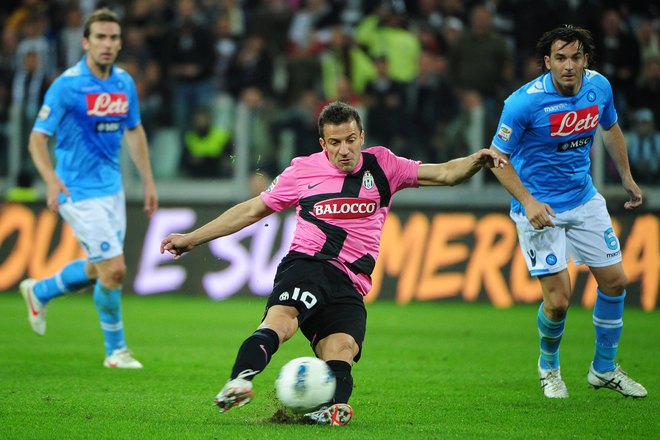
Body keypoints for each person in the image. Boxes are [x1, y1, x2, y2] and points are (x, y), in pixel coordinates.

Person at [160, 101, 506, 425]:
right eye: (336, 142)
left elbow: (445, 174)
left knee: (341, 348)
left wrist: (476, 160)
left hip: (351, 280)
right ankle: (240, 381)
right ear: (323, 143)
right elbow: (253, 210)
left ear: (362, 138)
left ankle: (332, 408)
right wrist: (192, 238)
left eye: (351, 140)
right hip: (308, 264)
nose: (344, 149)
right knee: (282, 321)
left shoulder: (384, 165)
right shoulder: (302, 171)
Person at [488, 25, 647, 399]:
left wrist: (626, 177)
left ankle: (604, 369)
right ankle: (549, 367)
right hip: (539, 207)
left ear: (585, 59)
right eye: (560, 58)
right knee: (558, 302)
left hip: (584, 199)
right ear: (548, 62)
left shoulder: (599, 87)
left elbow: (610, 129)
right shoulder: (522, 103)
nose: (569, 65)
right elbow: (496, 158)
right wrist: (528, 202)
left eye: (576, 57)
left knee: (616, 282)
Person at [19, 8, 158, 369]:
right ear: (86, 42)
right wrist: (51, 180)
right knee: (114, 269)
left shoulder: (124, 83)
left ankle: (41, 290)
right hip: (75, 189)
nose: (107, 44)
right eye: (100, 37)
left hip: (111, 189)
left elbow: (134, 131)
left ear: (120, 42)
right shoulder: (67, 85)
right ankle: (116, 351)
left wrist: (147, 180)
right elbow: (37, 139)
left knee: (100, 269)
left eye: (113, 37)